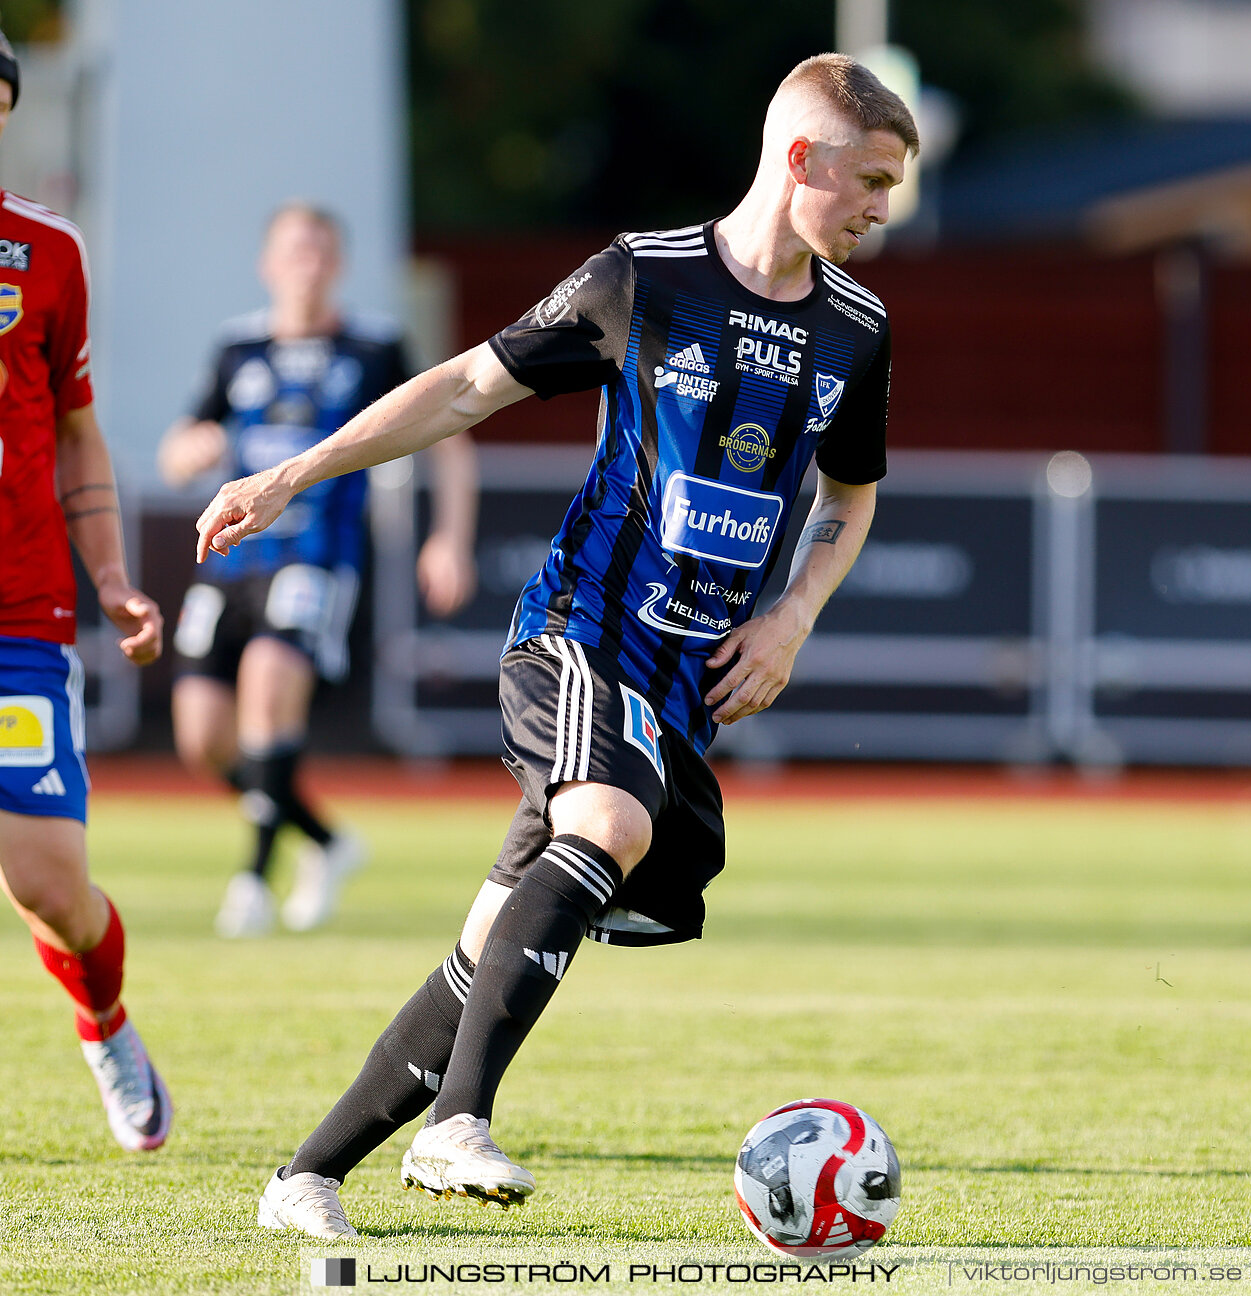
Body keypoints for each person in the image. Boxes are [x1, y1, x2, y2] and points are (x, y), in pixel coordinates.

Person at [197, 52, 915, 1239]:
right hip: (580, 634)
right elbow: (467, 388)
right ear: (802, 159)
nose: (885, 211)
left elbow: (851, 499)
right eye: (874, 181)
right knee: (609, 825)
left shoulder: (859, 330)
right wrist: (294, 470)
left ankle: (305, 1176)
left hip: (686, 686)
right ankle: (456, 1126)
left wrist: (793, 614)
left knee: (491, 951)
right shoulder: (643, 277)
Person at [160, 203, 479, 937]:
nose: (305, 263)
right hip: (231, 559)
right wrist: (187, 454)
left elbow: (450, 434)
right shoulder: (238, 346)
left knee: (269, 699)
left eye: (319, 250)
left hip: (318, 557)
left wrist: (448, 538)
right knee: (201, 738)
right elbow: (187, 436)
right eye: (291, 250)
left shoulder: (373, 347)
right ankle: (328, 843)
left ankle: (251, 882)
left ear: (338, 264)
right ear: (267, 264)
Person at [0, 28, 173, 1151]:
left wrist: (111, 576)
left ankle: (103, 1020)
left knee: (48, 882)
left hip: (18, 613)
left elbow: (77, 431)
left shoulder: (47, 251)